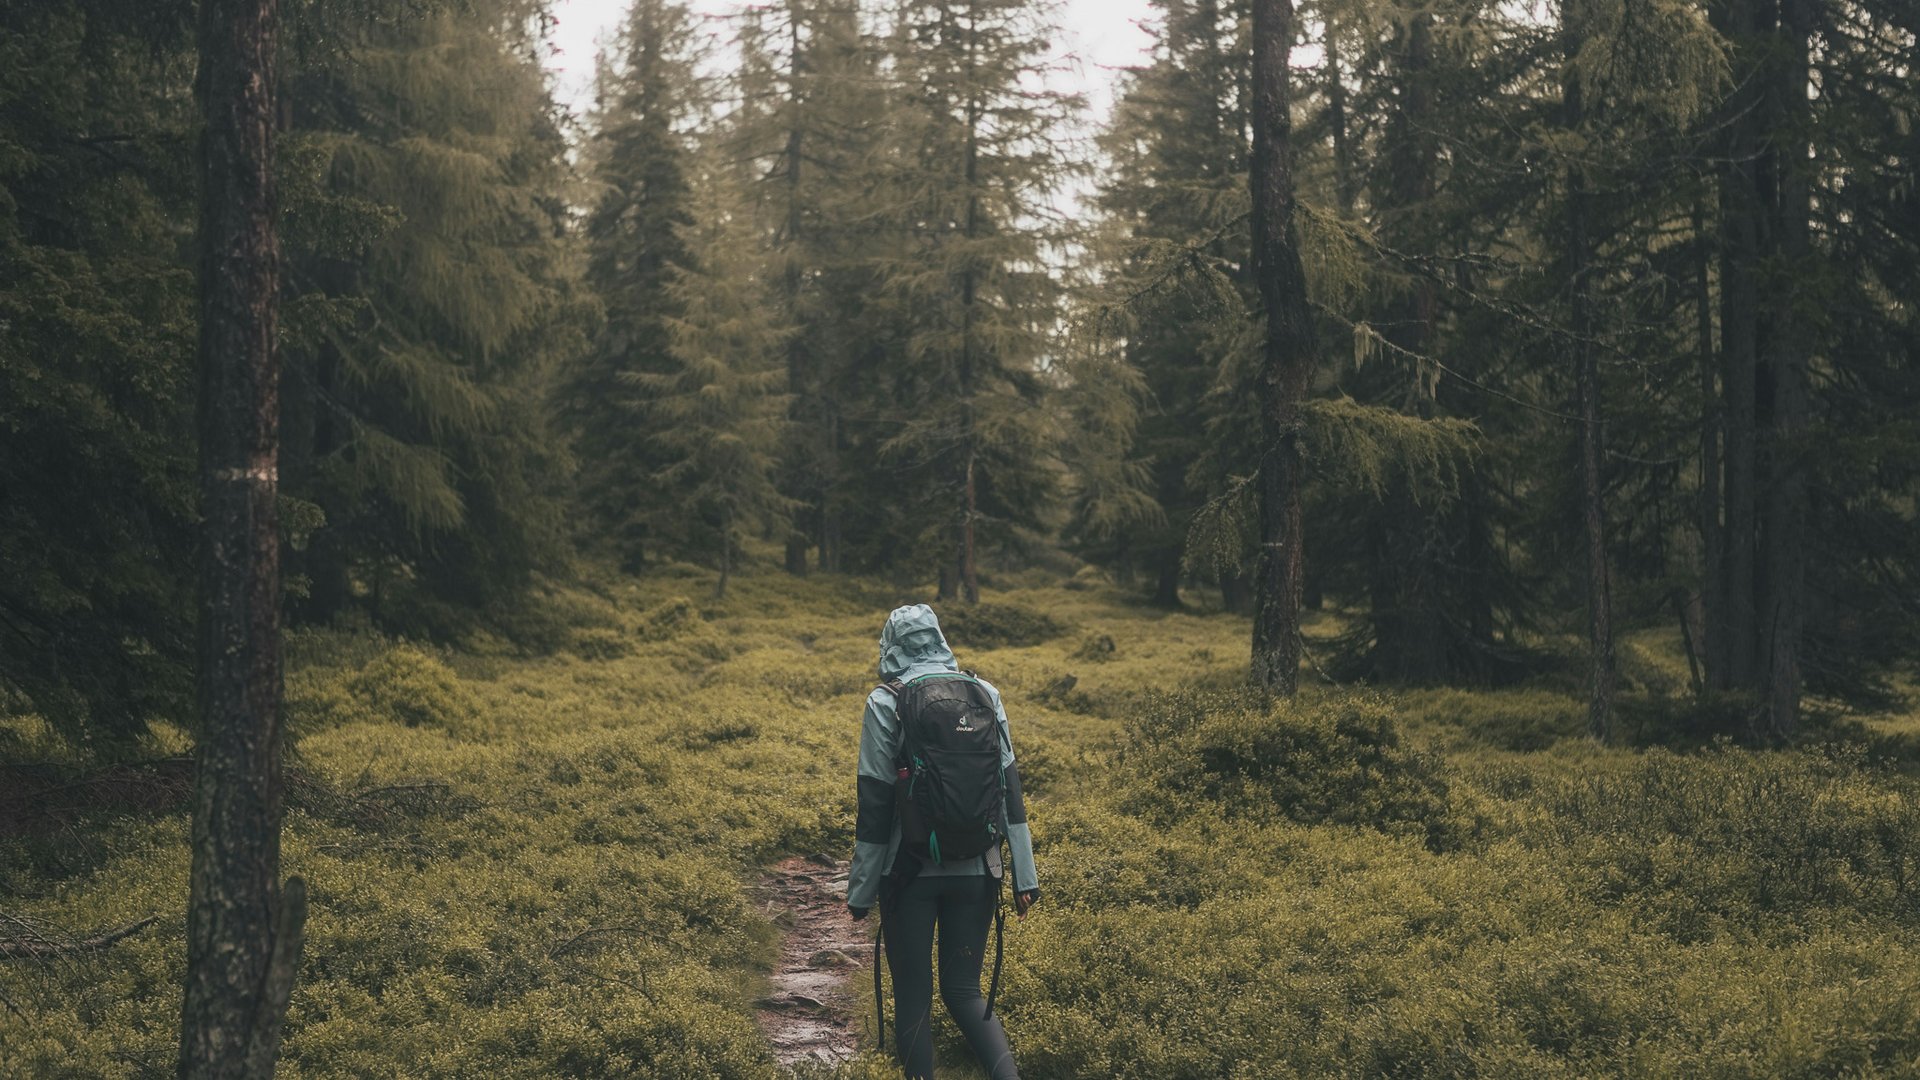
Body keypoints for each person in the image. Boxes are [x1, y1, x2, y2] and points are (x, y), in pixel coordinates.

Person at [847, 604, 1040, 1080]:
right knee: (964, 993)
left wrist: (861, 892)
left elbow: (874, 804)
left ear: (890, 644)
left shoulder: (885, 701)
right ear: (939, 638)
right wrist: (1025, 877)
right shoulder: (985, 694)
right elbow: (1009, 790)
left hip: (907, 874)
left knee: (913, 997)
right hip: (979, 869)